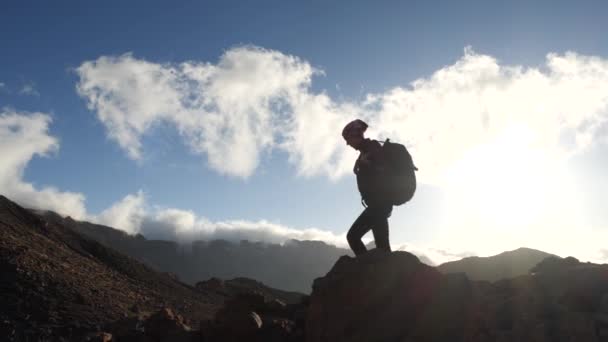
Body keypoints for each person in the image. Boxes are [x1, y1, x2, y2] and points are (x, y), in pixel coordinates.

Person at [342, 119, 393, 256]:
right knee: (383, 247)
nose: (348, 143)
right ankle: (378, 272)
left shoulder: (372, 148)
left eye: (348, 139)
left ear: (355, 136)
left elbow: (384, 171)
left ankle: (367, 269)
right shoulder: (365, 151)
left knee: (353, 237)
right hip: (379, 205)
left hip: (379, 204)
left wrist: (367, 165)